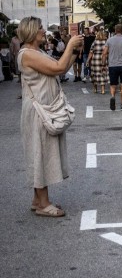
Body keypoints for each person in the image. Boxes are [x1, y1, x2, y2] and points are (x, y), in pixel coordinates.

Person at [16, 16, 83, 217]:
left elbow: (60, 68)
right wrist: (70, 43)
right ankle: (44, 205)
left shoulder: (38, 52)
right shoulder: (27, 54)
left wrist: (74, 52)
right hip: (39, 111)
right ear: (31, 31)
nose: (43, 31)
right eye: (40, 28)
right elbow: (58, 68)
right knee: (40, 153)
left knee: (42, 152)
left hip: (45, 108)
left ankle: (38, 200)